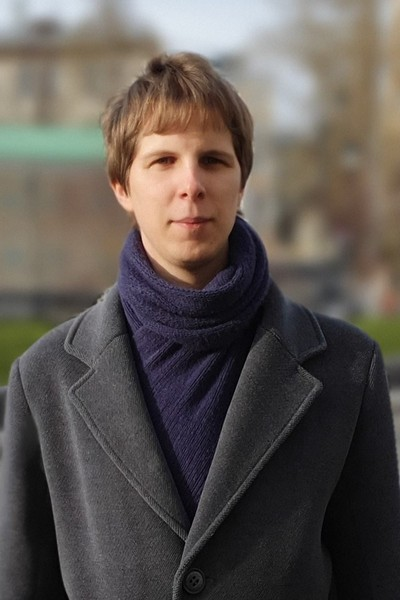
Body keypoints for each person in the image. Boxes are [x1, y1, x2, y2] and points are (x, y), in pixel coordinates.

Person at [0, 52, 399, 600]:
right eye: (163, 160)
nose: (191, 184)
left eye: (213, 159)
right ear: (121, 186)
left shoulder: (347, 369)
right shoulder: (45, 379)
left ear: (242, 181)